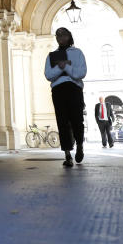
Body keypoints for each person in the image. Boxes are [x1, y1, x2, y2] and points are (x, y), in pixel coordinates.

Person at [44, 27, 87, 167]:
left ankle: (79, 145)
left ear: (69, 36)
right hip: (58, 90)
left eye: (63, 35)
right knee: (62, 122)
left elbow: (81, 73)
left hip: (74, 89)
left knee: (77, 120)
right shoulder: (51, 55)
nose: (60, 37)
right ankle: (67, 155)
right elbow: (48, 75)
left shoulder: (78, 53)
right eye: (58, 35)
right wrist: (62, 67)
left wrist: (66, 67)